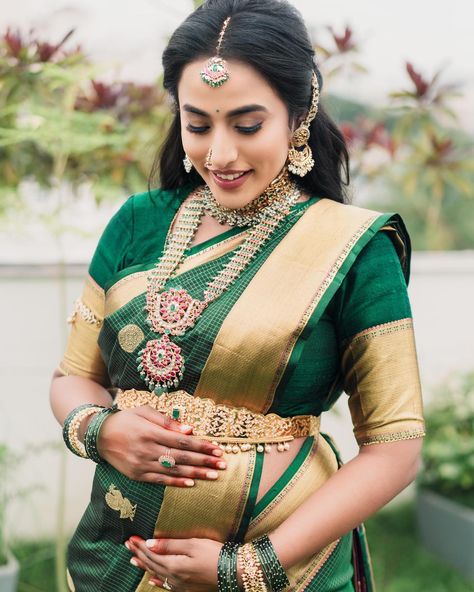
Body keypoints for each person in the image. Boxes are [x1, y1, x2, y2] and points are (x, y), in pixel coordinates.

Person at [50, 0, 426, 590]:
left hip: (286, 569)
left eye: (247, 126)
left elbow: (395, 447)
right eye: (197, 125)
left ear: (299, 116)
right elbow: (72, 378)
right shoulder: (136, 222)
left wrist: (248, 568)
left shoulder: (353, 249)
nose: (219, 154)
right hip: (115, 558)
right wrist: (99, 430)